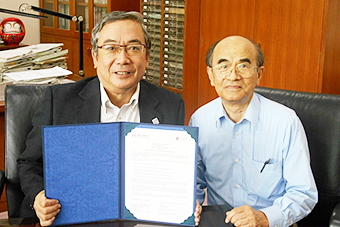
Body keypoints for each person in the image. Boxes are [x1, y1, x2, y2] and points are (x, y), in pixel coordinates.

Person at [17, 11, 185, 226]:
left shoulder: (171, 104)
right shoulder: (59, 101)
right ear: (96, 57)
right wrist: (39, 197)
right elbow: (29, 162)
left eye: (134, 48)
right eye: (111, 48)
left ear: (147, 57)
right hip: (73, 217)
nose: (122, 59)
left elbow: (173, 172)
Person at [190, 36, 317, 227]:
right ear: (210, 75)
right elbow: (194, 182)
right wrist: (192, 204)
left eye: (243, 66)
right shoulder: (199, 120)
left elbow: (303, 193)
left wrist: (264, 217)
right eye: (223, 66)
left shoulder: (286, 122)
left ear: (259, 74)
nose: (232, 76)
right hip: (219, 221)